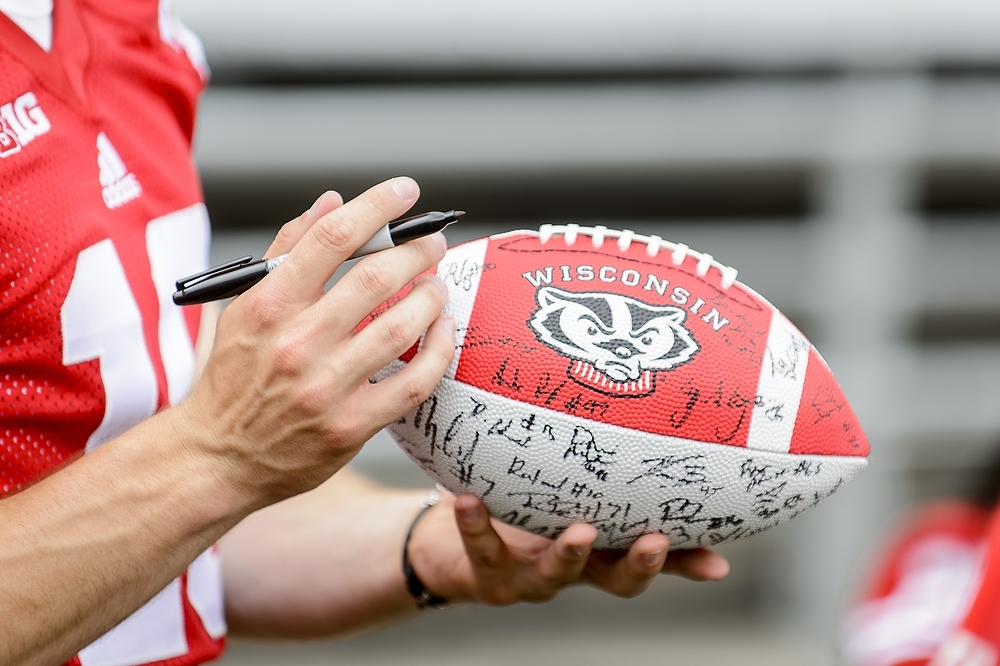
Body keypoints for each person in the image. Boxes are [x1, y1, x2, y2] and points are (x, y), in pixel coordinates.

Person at [0, 1, 730, 665]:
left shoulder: (130, 28)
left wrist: (433, 543)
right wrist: (220, 450)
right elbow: (195, 469)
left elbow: (170, 530)